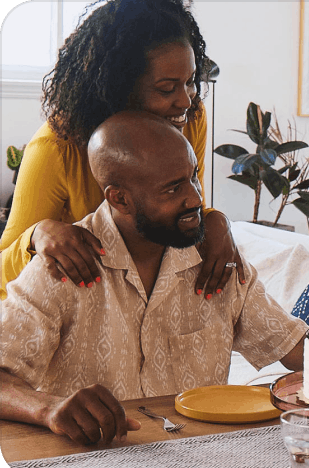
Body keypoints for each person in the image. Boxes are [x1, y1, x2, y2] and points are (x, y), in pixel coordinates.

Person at [0, 111, 309, 445]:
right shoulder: (62, 265)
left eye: (194, 179)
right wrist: (49, 407)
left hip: (202, 460)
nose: (195, 199)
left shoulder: (216, 259)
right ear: (119, 198)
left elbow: (298, 350)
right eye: (173, 189)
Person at [0, 0, 242, 300]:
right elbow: (3, 270)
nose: (185, 101)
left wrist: (217, 221)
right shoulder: (57, 149)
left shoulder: (190, 120)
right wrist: (36, 237)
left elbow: (185, 202)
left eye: (191, 81)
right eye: (166, 89)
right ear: (118, 88)